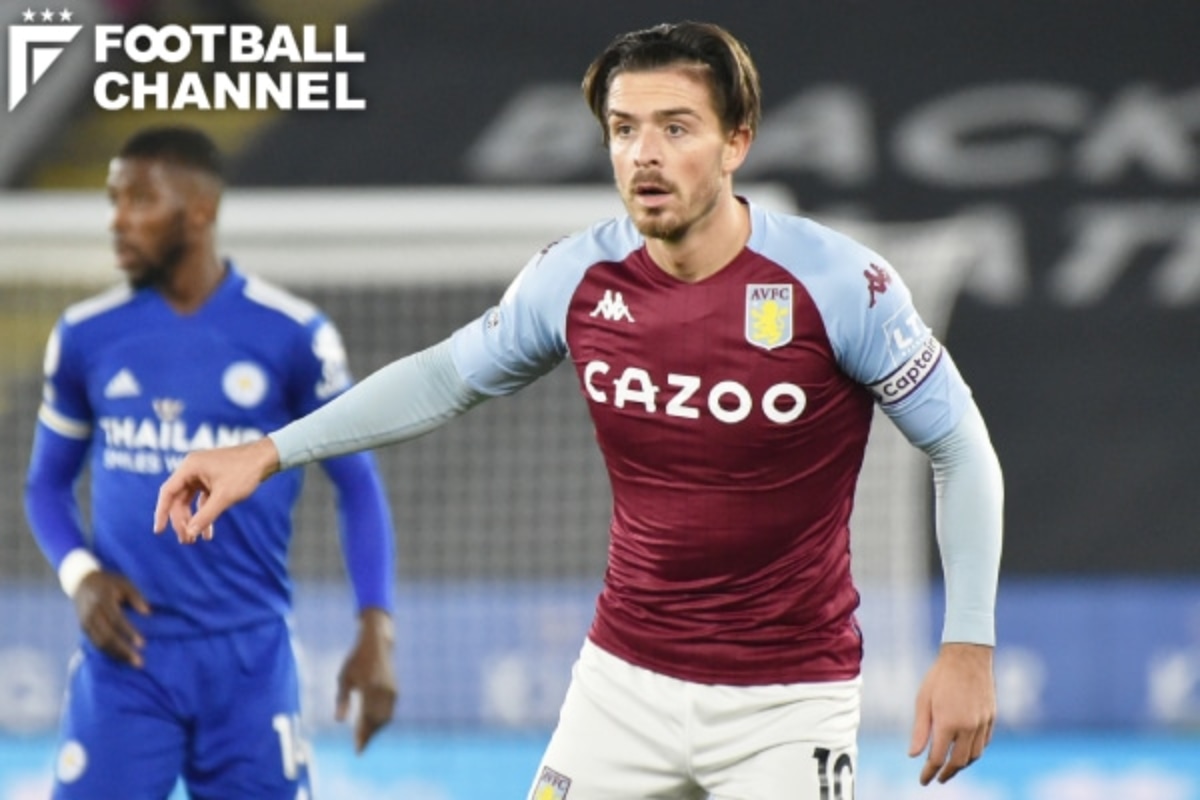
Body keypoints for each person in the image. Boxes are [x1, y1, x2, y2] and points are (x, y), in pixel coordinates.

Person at [155, 21, 1004, 799]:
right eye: (624, 130)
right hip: (621, 686)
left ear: (737, 141)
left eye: (676, 128)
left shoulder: (839, 285)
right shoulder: (578, 278)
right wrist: (268, 451)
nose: (645, 155)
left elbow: (960, 447)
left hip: (788, 702)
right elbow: (445, 376)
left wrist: (967, 645)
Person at [24, 125, 399, 799]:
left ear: (200, 210)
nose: (117, 220)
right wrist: (81, 576)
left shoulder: (292, 335)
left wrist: (376, 628)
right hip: (127, 656)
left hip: (249, 663)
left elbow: (358, 485)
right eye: (113, 200)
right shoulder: (85, 336)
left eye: (139, 199)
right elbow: (45, 485)